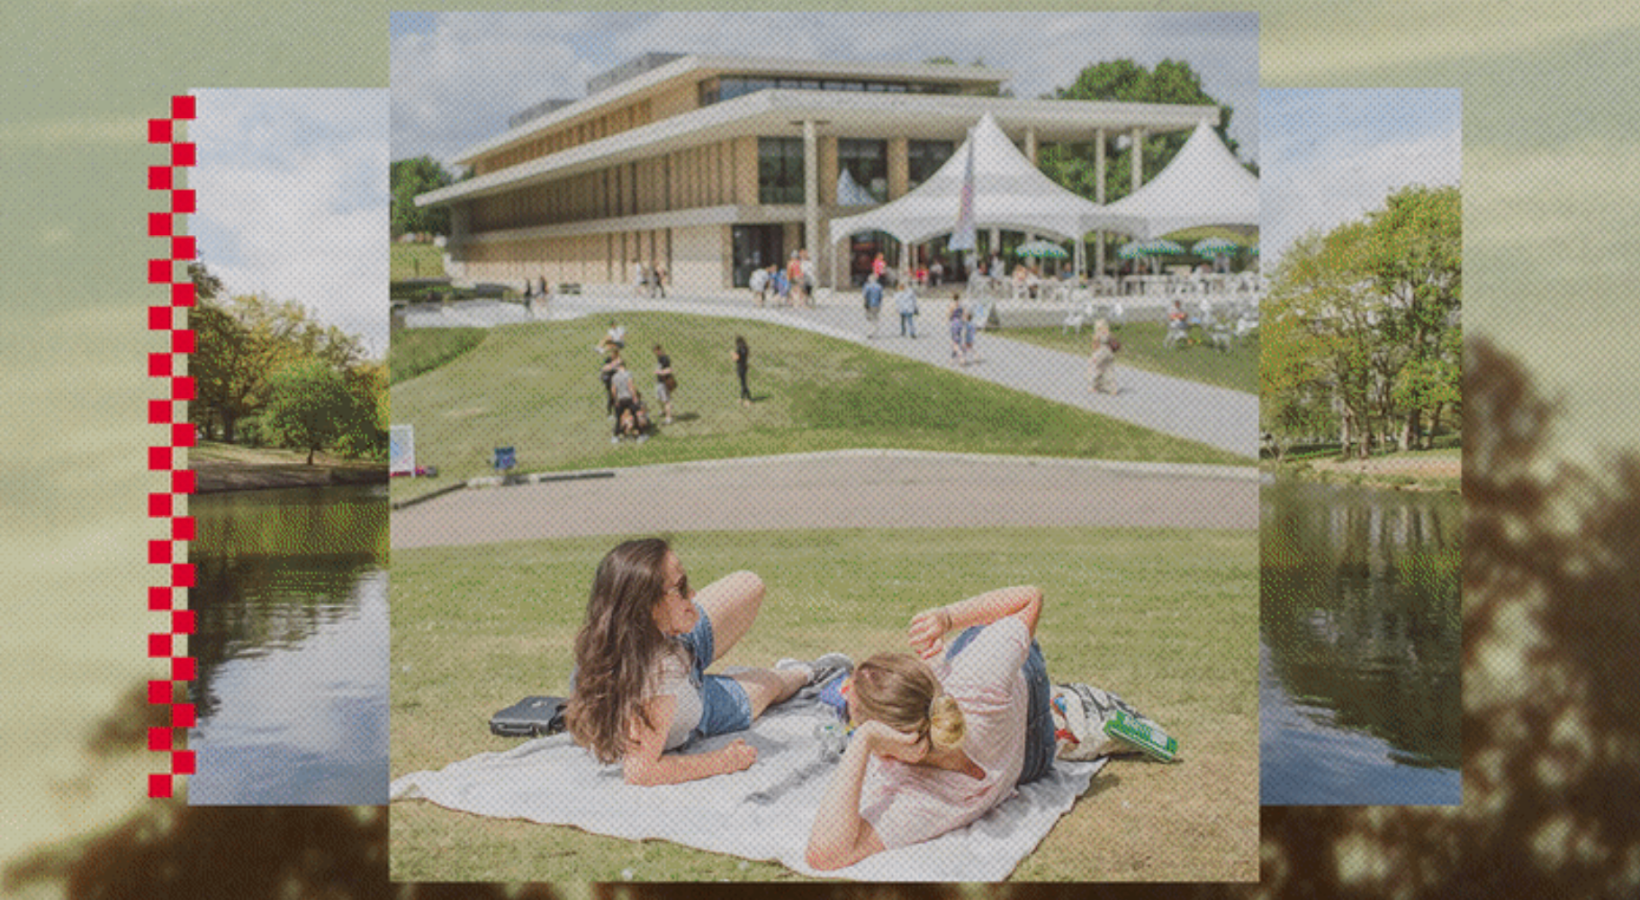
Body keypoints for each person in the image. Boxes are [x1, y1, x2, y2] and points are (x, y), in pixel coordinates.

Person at [804, 585, 1055, 870]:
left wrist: (863, 739)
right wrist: (947, 618)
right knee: (980, 634)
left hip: (1028, 764)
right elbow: (1029, 598)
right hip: (1031, 745)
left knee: (979, 643)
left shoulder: (912, 797)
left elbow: (826, 854)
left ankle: (1052, 705)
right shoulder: (976, 679)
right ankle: (1055, 703)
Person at [564, 538, 851, 786]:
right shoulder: (654, 681)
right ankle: (809, 671)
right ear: (648, 606)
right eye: (681, 586)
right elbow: (641, 771)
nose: (692, 594)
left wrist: (678, 619)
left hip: (677, 644)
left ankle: (730, 670)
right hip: (697, 706)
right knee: (773, 684)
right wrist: (724, 761)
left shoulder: (616, 632)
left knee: (749, 585)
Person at [610, 359, 643, 443]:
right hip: (628, 398)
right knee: (635, 416)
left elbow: (613, 390)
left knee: (618, 418)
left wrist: (616, 400)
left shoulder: (615, 377)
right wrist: (635, 397)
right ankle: (639, 436)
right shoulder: (628, 374)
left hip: (620, 399)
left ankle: (616, 436)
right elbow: (630, 386)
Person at [1089, 319, 1118, 395]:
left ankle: (1095, 386)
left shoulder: (1098, 334)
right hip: (1109, 352)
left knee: (1096, 368)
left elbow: (1095, 345)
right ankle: (1113, 388)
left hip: (1101, 352)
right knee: (1109, 370)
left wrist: (1094, 353)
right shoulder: (1108, 333)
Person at [653, 343, 676, 425]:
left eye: (657, 351)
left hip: (664, 382)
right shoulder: (660, 358)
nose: (656, 353)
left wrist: (660, 372)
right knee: (658, 398)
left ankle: (668, 418)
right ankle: (663, 411)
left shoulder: (664, 359)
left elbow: (670, 370)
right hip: (659, 383)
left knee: (666, 401)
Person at [732, 334, 752, 406]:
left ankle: (747, 398)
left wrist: (733, 354)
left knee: (743, 384)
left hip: (740, 367)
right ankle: (742, 397)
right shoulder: (745, 348)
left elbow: (735, 359)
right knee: (743, 383)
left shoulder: (739, 349)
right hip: (745, 366)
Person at [947, 295, 967, 365]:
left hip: (954, 324)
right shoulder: (961, 305)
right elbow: (965, 315)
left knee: (954, 343)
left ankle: (961, 358)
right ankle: (951, 360)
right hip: (960, 323)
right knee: (956, 341)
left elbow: (949, 314)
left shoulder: (952, 305)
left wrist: (949, 317)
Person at [862, 274, 884, 339]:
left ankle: (870, 332)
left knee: (869, 319)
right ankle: (875, 332)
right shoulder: (879, 286)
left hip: (869, 304)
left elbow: (865, 295)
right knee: (876, 319)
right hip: (876, 304)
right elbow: (881, 296)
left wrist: (866, 303)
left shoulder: (867, 286)